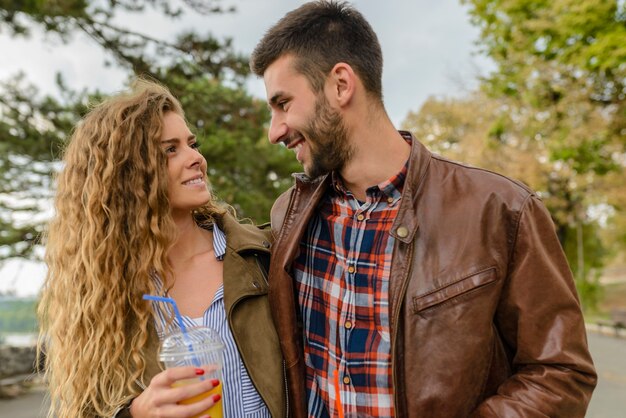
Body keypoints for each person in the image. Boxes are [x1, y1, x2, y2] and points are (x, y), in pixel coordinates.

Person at [250, 1, 597, 417]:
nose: (274, 132)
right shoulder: (289, 215)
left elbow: (559, 371)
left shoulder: (501, 209)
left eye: (283, 103)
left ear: (341, 84)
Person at [38, 79, 285, 418]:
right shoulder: (107, 293)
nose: (196, 158)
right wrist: (136, 413)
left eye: (191, 144)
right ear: (130, 176)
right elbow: (84, 410)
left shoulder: (262, 256)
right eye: (171, 149)